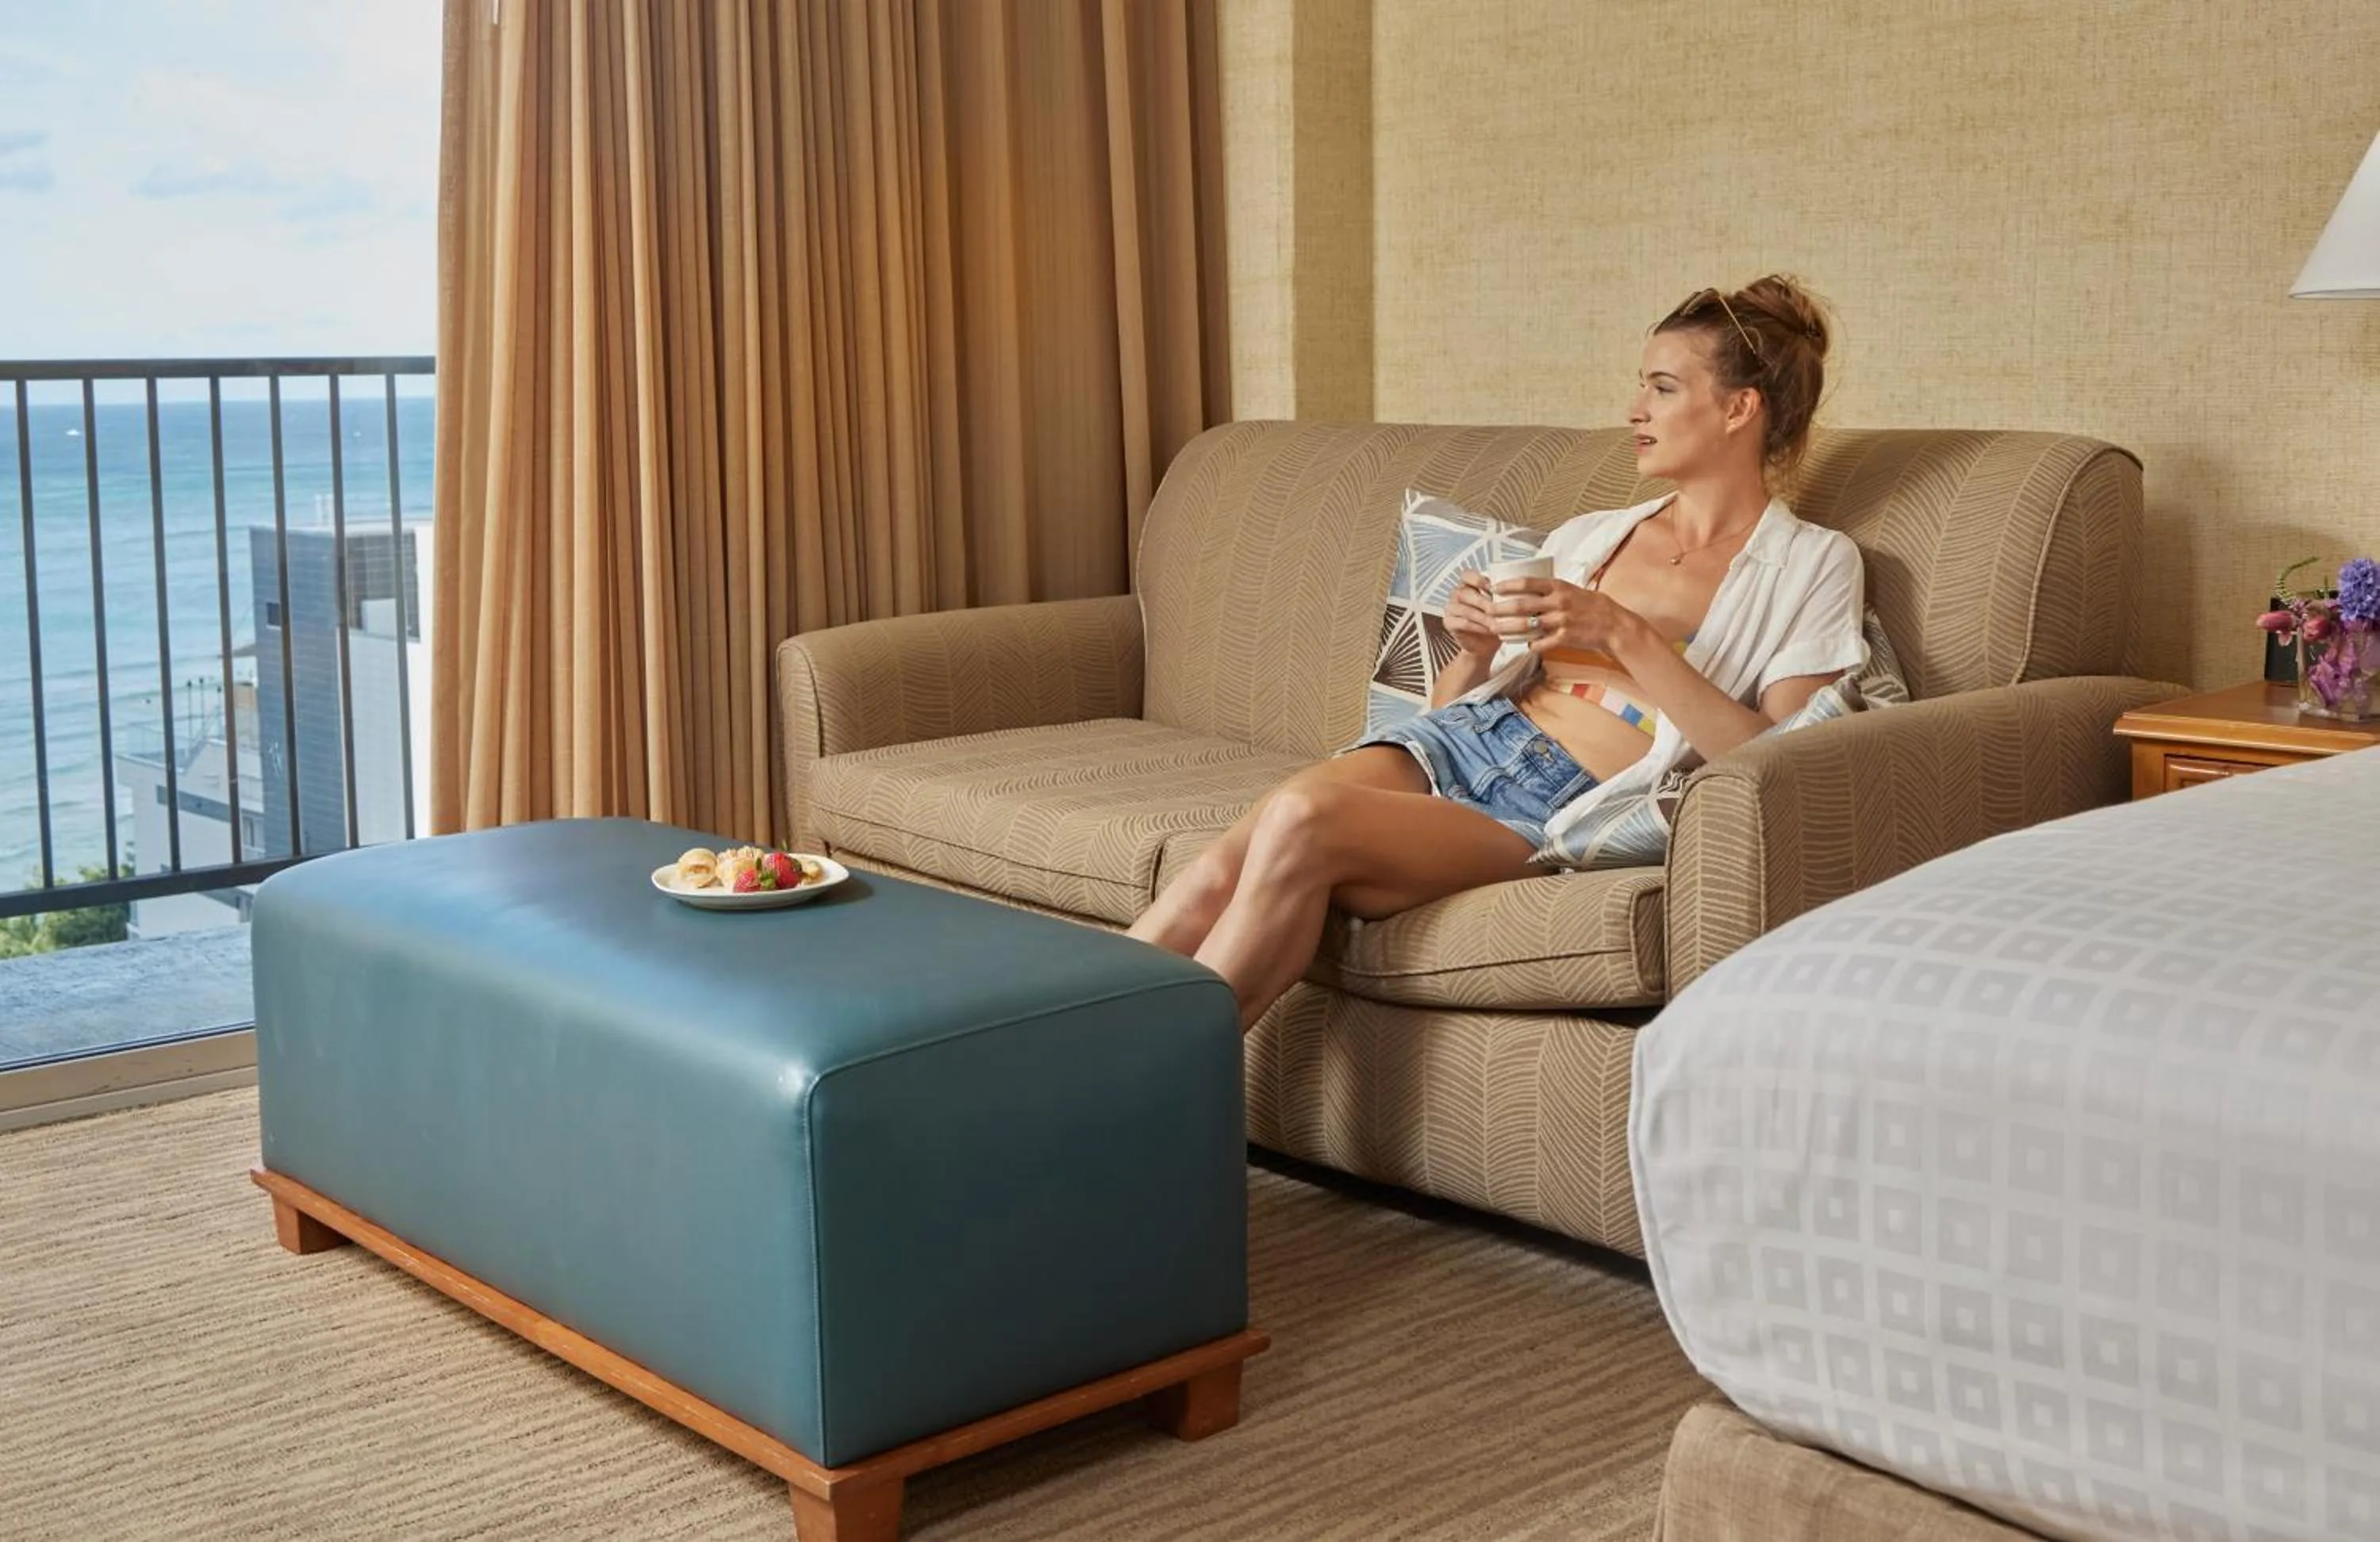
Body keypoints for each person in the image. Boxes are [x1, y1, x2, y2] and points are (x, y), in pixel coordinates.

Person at [1126, 275, 1868, 1029]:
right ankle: (1074, 1042)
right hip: (1465, 739)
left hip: (1554, 802)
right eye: (1641, 386)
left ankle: (1147, 1080)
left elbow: (1781, 764)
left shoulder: (1812, 563)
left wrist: (1622, 633)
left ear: (1740, 407)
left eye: (1663, 388)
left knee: (1300, 819)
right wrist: (1475, 653)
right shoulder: (1591, 537)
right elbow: (1457, 708)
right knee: (1237, 848)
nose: (1634, 409)